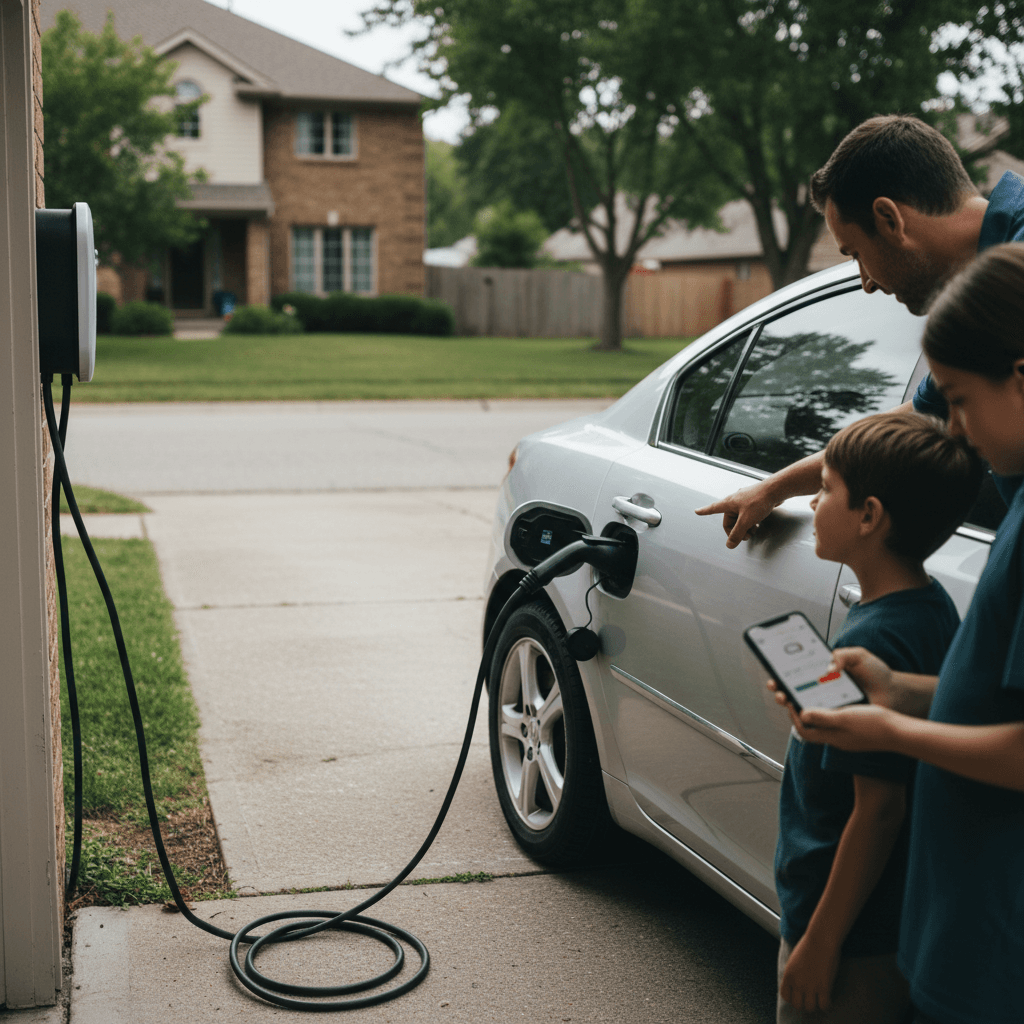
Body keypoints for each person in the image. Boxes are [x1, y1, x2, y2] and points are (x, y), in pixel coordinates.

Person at [777, 244, 1024, 1024]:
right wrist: (905, 693)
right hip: (948, 925)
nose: (952, 426)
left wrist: (890, 726)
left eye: (956, 398)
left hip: (988, 946)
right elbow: (994, 702)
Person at [696, 114, 1024, 549]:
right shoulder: (987, 288)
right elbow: (919, 419)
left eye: (856, 254)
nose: (865, 283)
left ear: (889, 219)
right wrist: (775, 488)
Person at [772, 410, 981, 1024]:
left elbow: (879, 809)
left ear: (868, 515)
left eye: (827, 488)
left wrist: (820, 943)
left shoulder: (882, 640)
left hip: (852, 940)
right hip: (887, 923)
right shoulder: (927, 606)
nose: (812, 501)